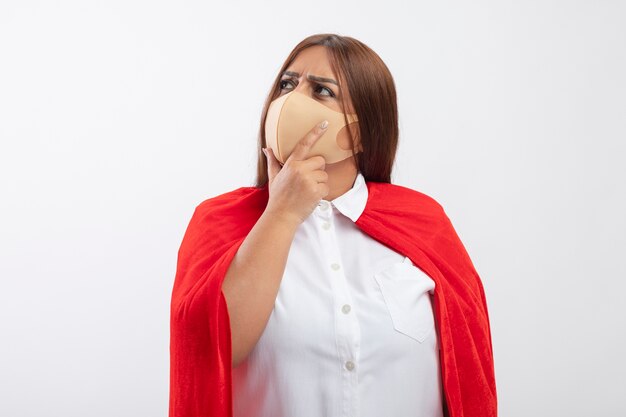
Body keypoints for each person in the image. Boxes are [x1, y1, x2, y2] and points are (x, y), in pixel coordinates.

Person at [169, 33, 497, 417]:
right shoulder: (219, 221)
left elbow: (469, 370)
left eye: (321, 90)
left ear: (358, 131)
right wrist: (283, 213)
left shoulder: (424, 222)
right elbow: (213, 348)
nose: (290, 100)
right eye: (287, 84)